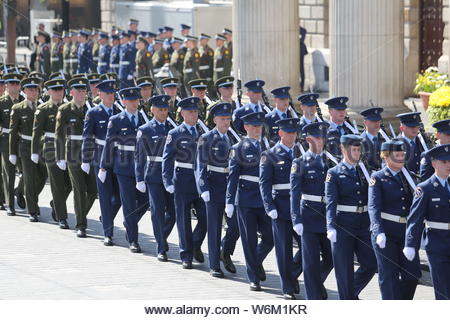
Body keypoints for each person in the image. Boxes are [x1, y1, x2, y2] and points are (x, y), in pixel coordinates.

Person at [225, 112, 274, 291]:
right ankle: (253, 277)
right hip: (246, 200)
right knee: (249, 240)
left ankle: (255, 261)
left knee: (270, 238)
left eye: (259, 127)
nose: (257, 130)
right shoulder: (238, 148)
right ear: (246, 128)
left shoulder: (268, 147)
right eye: (253, 127)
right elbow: (232, 177)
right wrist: (229, 201)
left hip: (264, 200)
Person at [325, 134, 377, 299]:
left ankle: (349, 292)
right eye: (353, 149)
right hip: (343, 225)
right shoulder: (334, 173)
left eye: (358, 149)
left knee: (370, 263)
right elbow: (331, 202)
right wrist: (331, 226)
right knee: (344, 268)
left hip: (363, 224)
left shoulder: (365, 171)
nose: (357, 153)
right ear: (343, 149)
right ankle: (346, 299)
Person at [368, 139, 421, 299]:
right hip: (386, 232)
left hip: (406, 233)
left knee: (412, 275)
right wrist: (378, 232)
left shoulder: (409, 177)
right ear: (386, 157)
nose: (401, 159)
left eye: (402, 155)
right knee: (389, 276)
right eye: (397, 155)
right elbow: (373, 207)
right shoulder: (377, 178)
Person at [99, 87, 149, 252]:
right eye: (131, 100)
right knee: (127, 203)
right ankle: (133, 240)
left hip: (141, 167)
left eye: (137, 100)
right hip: (123, 167)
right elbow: (109, 143)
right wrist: (104, 166)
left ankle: (129, 223)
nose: (135, 103)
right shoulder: (117, 119)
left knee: (144, 200)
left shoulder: (143, 118)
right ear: (124, 102)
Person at [260, 118, 303, 299]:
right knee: (284, 250)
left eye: (294, 133)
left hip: (300, 208)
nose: (292, 136)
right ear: (280, 133)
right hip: (281, 207)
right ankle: (287, 286)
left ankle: (292, 274)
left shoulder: (300, 153)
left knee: (307, 247)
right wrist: (269, 206)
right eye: (288, 133)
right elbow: (264, 183)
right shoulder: (269, 155)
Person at [162, 97, 207, 269]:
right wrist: (168, 181)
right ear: (182, 114)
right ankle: (186, 255)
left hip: (201, 181)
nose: (194, 115)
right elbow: (167, 159)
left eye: (196, 112)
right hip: (182, 179)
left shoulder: (203, 132)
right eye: (190, 112)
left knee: (205, 217)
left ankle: (195, 243)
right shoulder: (175, 133)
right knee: (183, 220)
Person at [290, 122, 333, 300]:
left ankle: (316, 284)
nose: (321, 141)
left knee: (330, 259)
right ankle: (313, 298)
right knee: (311, 262)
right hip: (308, 216)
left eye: (322, 138)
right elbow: (294, 193)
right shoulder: (299, 163)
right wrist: (296, 219)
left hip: (327, 217)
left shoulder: (330, 161)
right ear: (308, 139)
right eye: (317, 138)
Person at [403, 144, 450, 300]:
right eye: (444, 162)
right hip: (437, 244)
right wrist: (410, 244)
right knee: (443, 290)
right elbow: (415, 219)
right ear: (434, 163)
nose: (448, 165)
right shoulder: (425, 188)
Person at [135, 95, 176, 261]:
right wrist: (139, 178)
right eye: (160, 109)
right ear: (152, 110)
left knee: (173, 213)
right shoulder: (145, 129)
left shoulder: (172, 128)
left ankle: (162, 236)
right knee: (157, 212)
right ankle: (160, 247)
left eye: (166, 109)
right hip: (153, 175)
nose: (164, 112)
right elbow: (139, 156)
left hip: (170, 176)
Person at [55, 77, 97, 238]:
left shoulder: (91, 108)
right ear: (71, 92)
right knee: (79, 189)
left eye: (83, 91)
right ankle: (81, 224)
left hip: (89, 152)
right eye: (78, 91)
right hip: (72, 152)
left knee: (92, 191)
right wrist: (60, 157)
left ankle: (80, 214)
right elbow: (59, 134)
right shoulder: (65, 109)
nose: (81, 94)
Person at [82, 80, 122, 246]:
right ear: (100, 94)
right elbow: (87, 137)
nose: (111, 96)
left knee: (119, 197)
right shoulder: (93, 113)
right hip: (100, 160)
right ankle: (108, 233)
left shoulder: (120, 111)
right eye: (108, 94)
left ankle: (106, 217)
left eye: (113, 94)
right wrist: (86, 159)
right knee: (105, 197)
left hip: (119, 159)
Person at [196, 102, 233, 278]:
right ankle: (214, 265)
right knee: (214, 227)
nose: (226, 122)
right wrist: (203, 187)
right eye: (222, 119)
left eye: (228, 118)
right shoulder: (207, 138)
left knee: (235, 226)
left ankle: (225, 251)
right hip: (214, 185)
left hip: (230, 188)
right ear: (215, 120)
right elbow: (200, 166)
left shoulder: (232, 137)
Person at [31, 79, 72, 228]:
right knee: (57, 184)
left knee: (69, 182)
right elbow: (36, 132)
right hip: (49, 147)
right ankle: (62, 217)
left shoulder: (68, 107)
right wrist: (34, 152)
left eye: (60, 89)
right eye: (55, 90)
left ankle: (56, 202)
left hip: (68, 147)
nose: (58, 92)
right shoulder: (43, 109)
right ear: (49, 92)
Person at [9, 77, 48, 222]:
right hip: (25, 146)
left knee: (43, 175)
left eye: (36, 89)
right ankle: (32, 210)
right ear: (24, 91)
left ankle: (21, 192)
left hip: (40, 146)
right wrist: (12, 153)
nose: (34, 92)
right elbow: (13, 132)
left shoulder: (43, 107)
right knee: (29, 178)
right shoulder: (18, 108)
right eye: (30, 89)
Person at [0, 73, 24, 216]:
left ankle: (19, 192)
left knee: (28, 172)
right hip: (6, 140)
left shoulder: (23, 101)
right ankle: (9, 204)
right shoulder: (2, 102)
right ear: (6, 86)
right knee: (8, 173)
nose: (15, 86)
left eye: (17, 84)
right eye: (12, 84)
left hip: (22, 140)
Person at [360, 107, 384, 171]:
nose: (377, 123)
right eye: (373, 121)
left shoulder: (384, 139)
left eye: (378, 121)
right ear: (365, 122)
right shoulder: (359, 142)